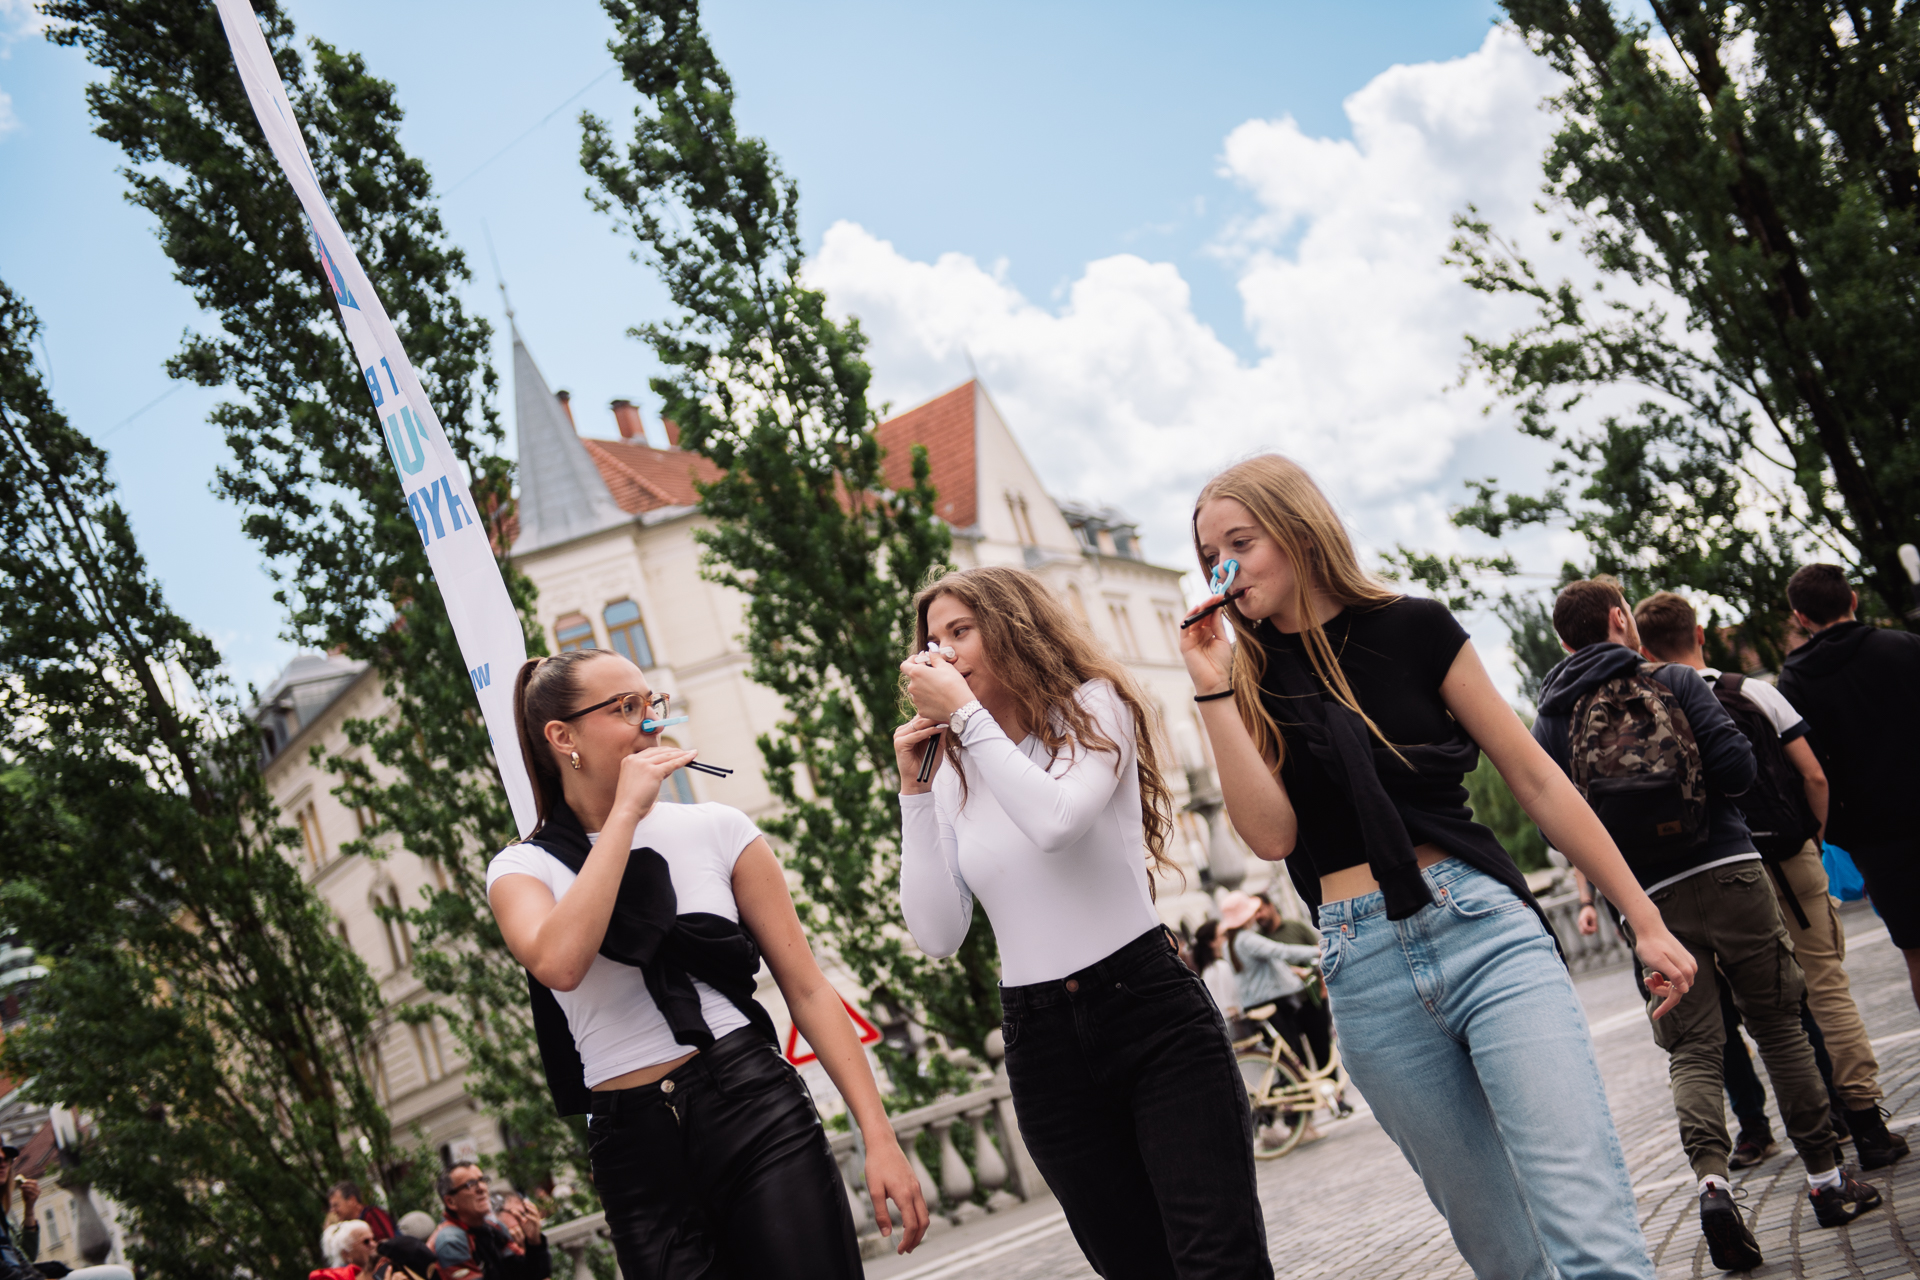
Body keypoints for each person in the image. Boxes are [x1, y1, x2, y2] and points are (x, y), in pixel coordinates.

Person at [1183, 456, 1696, 1280]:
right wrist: (1211, 691)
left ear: (1300, 532)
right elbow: (1271, 838)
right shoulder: (1246, 680)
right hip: (1362, 964)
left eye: (1241, 544)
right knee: (1506, 1256)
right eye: (1211, 556)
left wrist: (1645, 918)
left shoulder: (1415, 627)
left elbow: (1536, 779)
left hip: (1482, 928)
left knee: (1589, 1227)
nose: (1226, 570)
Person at [488, 649, 925, 1280]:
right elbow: (560, 963)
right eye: (626, 708)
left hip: (751, 1103)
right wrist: (623, 816)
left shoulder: (719, 828)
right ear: (563, 737)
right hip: (633, 1146)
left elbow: (807, 990)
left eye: (652, 703)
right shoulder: (522, 868)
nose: (651, 722)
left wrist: (879, 1137)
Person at [896, 565, 1272, 1280]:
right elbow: (938, 934)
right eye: (931, 642)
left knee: (1216, 1258)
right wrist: (914, 791)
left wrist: (968, 720)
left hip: (1149, 1011)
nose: (942, 653)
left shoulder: (1093, 706)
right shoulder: (953, 771)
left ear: (1012, 627)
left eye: (960, 631)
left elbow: (1057, 821)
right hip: (1041, 1042)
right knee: (1133, 1266)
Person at [1534, 577, 1876, 1267]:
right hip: (1730, 871)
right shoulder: (1675, 681)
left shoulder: (1552, 719)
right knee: (1779, 1025)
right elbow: (1738, 770)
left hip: (1648, 903)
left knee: (1692, 1049)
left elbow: (1559, 827)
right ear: (1619, 618)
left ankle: (1714, 1187)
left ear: (1565, 641)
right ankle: (1826, 1180)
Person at [1633, 589, 1907, 1169]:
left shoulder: (1643, 707)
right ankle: (1862, 1124)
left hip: (1709, 873)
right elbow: (1813, 775)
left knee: (1743, 1014)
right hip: (1785, 859)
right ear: (1699, 634)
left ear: (1643, 647)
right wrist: (1815, 840)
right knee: (1820, 991)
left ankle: (1763, 1131)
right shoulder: (1753, 690)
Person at [1777, 563, 1920, 1015]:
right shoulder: (1906, 646)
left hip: (1875, 838)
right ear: (1853, 599)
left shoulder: (1795, 680)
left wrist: (1834, 834)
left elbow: (1809, 771)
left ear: (1801, 617)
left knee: (1915, 950)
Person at [428, 1167, 546, 1280]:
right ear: (450, 1202)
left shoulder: (494, 1227)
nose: (481, 1188)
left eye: (483, 1180)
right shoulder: (450, 1241)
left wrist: (534, 1242)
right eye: (470, 1184)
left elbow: (527, 1274)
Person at [1191, 919, 1240, 1020]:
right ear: (1211, 942)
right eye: (1223, 935)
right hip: (1230, 1022)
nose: (1226, 938)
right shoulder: (1221, 966)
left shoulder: (1207, 969)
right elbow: (1230, 1006)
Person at [329, 1181, 397, 1244]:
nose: (332, 1211)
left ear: (352, 1200)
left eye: (336, 1205)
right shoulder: (348, 1226)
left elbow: (389, 1245)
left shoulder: (372, 1215)